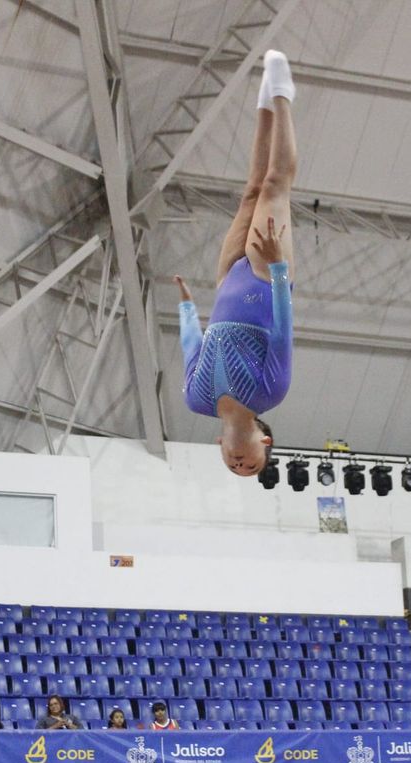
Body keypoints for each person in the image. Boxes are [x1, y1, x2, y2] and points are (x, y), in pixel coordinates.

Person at [175, 49, 298, 477]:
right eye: (252, 465)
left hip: (227, 282)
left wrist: (188, 307)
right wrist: (280, 268)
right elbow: (283, 331)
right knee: (275, 186)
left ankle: (264, 101)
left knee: (250, 192)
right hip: (266, 282)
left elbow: (193, 348)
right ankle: (283, 94)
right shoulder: (270, 393)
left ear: (219, 448)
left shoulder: (196, 399)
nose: (240, 464)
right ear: (265, 442)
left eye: (234, 468)